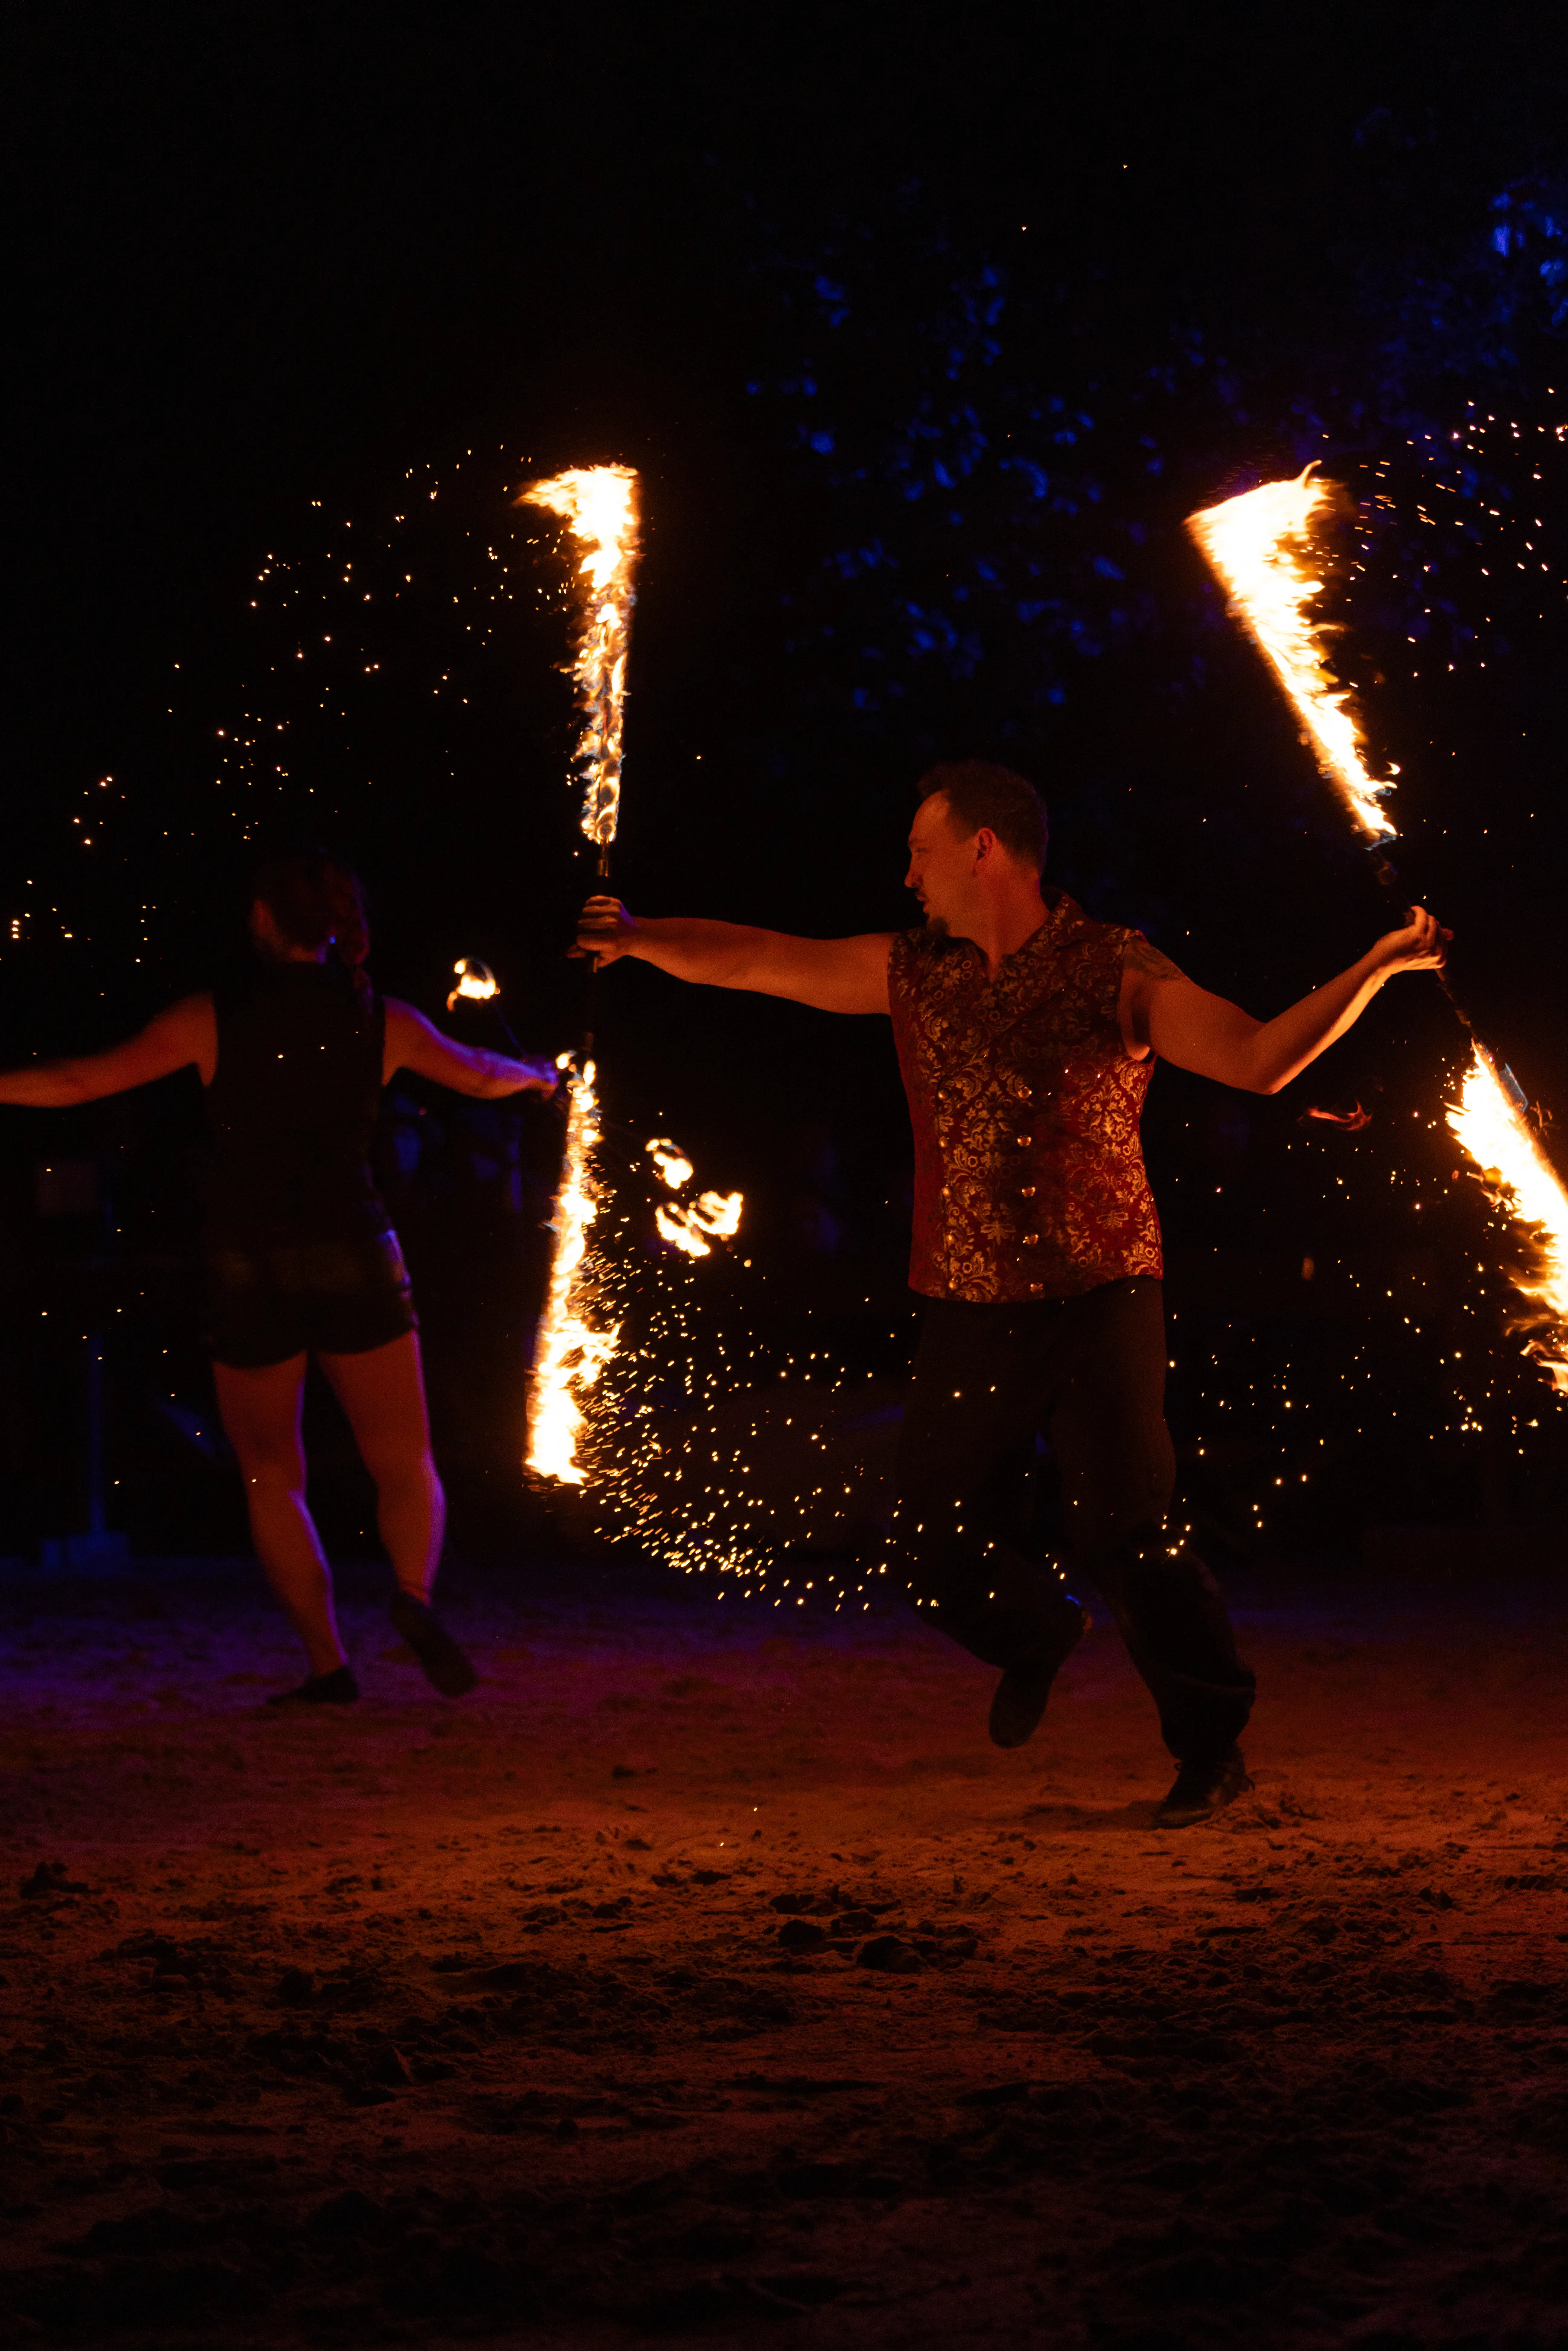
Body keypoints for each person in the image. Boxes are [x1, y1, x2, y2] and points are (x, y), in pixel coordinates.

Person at [576, 761, 1449, 1826]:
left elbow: (1259, 1061)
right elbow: (762, 957)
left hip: (1101, 1293)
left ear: (982, 848)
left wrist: (1376, 965)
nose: (907, 876)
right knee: (926, 1543)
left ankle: (1209, 1745)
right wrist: (640, 937)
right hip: (966, 1298)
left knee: (1129, 1531)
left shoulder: (1114, 968)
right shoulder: (915, 971)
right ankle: (1039, 1631)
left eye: (921, 851)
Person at [0, 849, 559, 1706]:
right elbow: (481, 1075)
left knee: (271, 1473)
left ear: (262, 919)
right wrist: (538, 1077)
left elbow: (80, 1080)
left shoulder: (208, 1018)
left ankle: (329, 1666)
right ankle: (413, 1595)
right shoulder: (385, 1019)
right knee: (403, 1458)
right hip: (357, 1249)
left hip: (247, 1260)